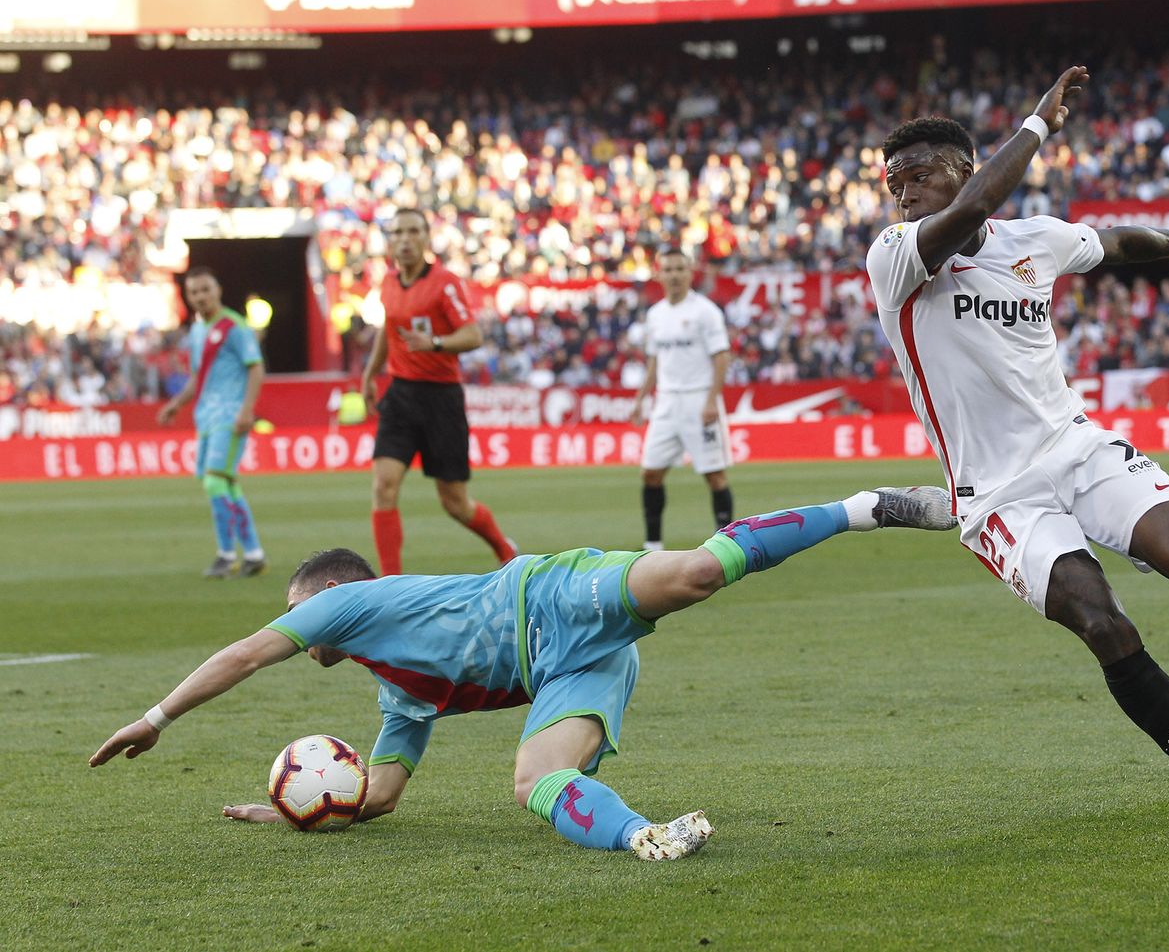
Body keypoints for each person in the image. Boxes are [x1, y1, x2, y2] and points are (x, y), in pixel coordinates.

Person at [865, 67, 1169, 853]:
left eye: (919, 175)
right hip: (997, 496)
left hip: (1075, 446)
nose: (903, 193)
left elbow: (1117, 243)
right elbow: (970, 211)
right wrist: (1038, 124)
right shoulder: (894, 256)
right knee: (1104, 622)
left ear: (964, 167)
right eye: (893, 183)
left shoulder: (1031, 240)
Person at [88, 486, 955, 860]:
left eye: (294, 606)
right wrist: (293, 808)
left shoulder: (345, 603)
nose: (293, 623)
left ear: (327, 595)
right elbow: (379, 795)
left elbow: (244, 653)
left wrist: (156, 718)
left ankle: (864, 507)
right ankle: (646, 837)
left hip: (552, 596)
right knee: (534, 779)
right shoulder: (398, 691)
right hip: (572, 669)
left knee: (696, 571)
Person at [360, 208, 517, 576]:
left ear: (426, 238)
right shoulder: (388, 283)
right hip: (401, 395)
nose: (405, 240)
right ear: (390, 240)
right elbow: (389, 329)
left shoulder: (445, 283)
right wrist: (369, 373)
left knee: (455, 503)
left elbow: (473, 335)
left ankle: (505, 549)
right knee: (383, 487)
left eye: (413, 231)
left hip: (441, 399)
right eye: (398, 232)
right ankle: (390, 585)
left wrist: (433, 343)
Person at [157, 267, 268, 579]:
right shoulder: (197, 331)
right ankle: (254, 554)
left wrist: (246, 410)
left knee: (214, 481)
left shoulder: (235, 326)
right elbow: (197, 377)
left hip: (230, 414)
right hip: (206, 416)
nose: (200, 297)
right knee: (226, 483)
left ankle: (226, 555)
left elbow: (256, 368)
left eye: (205, 289)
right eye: (194, 292)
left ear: (218, 290)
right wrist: (176, 404)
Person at [628, 248, 734, 550]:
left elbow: (721, 357)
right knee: (650, 473)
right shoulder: (655, 315)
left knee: (715, 475)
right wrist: (640, 399)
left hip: (699, 399)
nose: (674, 275)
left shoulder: (705, 312)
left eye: (679, 269)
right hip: (666, 402)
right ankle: (652, 546)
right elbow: (654, 361)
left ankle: (727, 546)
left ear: (690, 273)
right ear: (659, 275)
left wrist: (712, 400)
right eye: (668, 270)